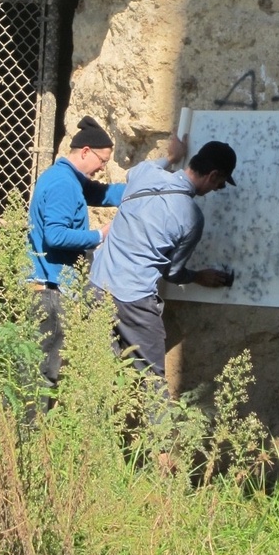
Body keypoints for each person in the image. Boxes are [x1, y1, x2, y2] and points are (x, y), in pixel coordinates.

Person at [89, 137, 237, 380]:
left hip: (97, 286)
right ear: (212, 176)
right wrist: (198, 277)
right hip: (133, 300)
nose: (215, 189)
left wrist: (170, 157)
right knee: (153, 386)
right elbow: (172, 271)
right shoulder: (191, 217)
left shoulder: (145, 173)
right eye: (219, 184)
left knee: (99, 375)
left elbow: (136, 172)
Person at [27, 115, 125, 389]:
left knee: (45, 367)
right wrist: (99, 235)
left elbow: (104, 194)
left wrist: (147, 188)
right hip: (49, 290)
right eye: (102, 161)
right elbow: (55, 235)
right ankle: (32, 429)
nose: (102, 169)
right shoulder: (64, 185)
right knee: (43, 371)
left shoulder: (69, 179)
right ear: (85, 152)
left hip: (53, 288)